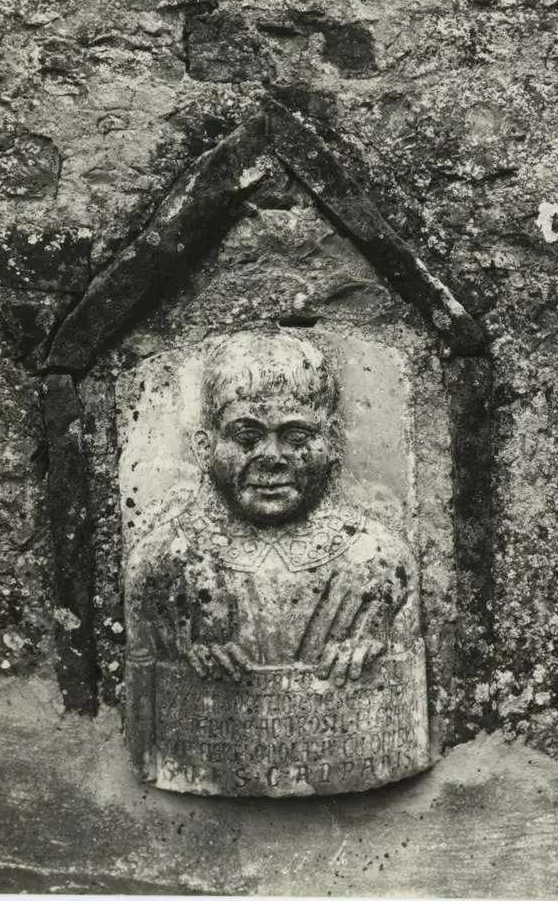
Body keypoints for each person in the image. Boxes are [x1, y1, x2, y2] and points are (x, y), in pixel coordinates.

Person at [125, 332, 419, 780]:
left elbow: (404, 677)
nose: (273, 458)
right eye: (247, 435)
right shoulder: (162, 565)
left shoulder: (380, 562)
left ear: (332, 441)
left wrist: (378, 652)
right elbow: (144, 728)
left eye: (296, 435)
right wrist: (177, 649)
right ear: (205, 447)